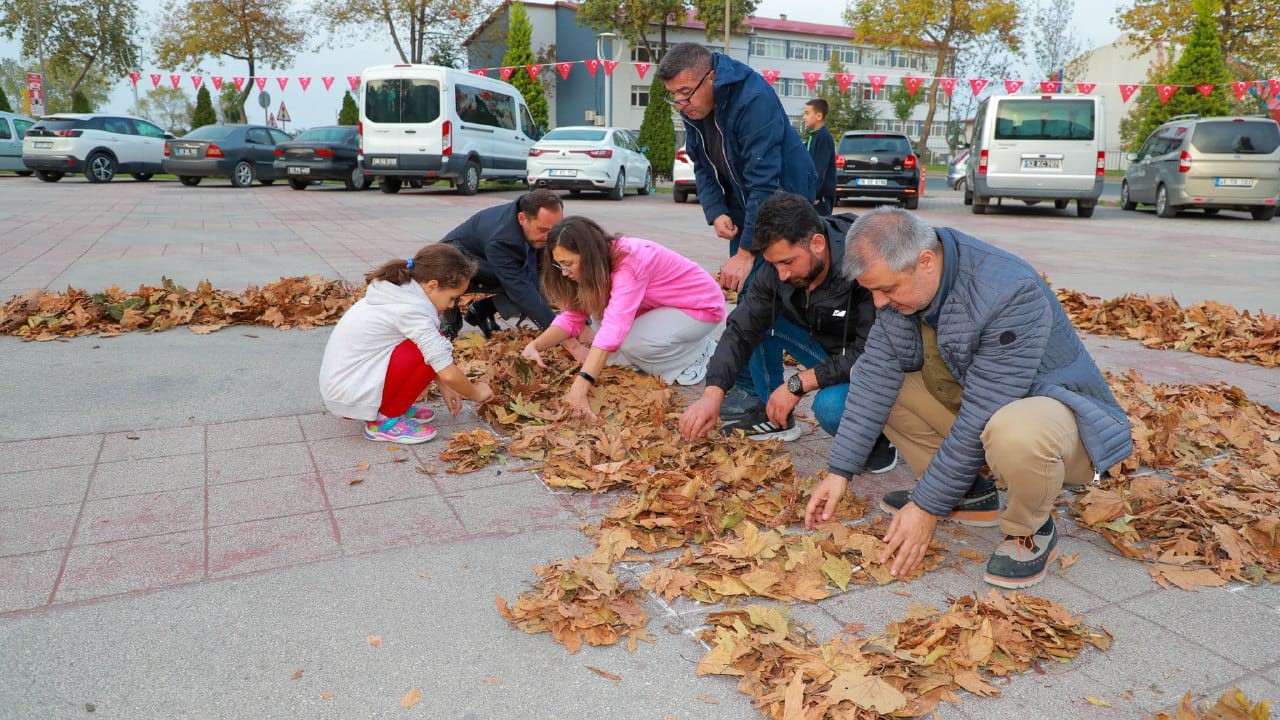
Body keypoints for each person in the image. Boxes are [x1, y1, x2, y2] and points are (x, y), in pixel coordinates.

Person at [804, 207, 1133, 589]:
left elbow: (983, 412)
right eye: (871, 291)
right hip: (993, 414)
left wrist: (926, 507)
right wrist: (838, 472)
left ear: (925, 262)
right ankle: (969, 495)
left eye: (887, 289)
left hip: (1065, 430)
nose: (878, 303)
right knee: (873, 381)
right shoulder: (912, 279)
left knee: (1016, 431)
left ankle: (1030, 527)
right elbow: (874, 377)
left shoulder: (1007, 291)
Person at [676, 192, 896, 473]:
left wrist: (799, 383)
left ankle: (883, 437)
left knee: (831, 410)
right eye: (773, 263)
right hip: (828, 349)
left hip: (877, 364)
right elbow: (741, 329)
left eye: (788, 263)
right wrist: (712, 393)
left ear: (817, 243)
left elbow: (872, 352)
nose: (780, 274)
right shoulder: (778, 266)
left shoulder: (865, 261)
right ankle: (776, 417)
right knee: (757, 318)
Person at [658, 42, 817, 421]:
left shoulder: (753, 98)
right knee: (752, 302)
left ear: (710, 77)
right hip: (747, 211)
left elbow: (765, 181)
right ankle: (751, 390)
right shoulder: (695, 108)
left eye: (685, 93)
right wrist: (716, 212)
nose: (681, 104)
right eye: (673, 97)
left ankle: (772, 401)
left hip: (786, 205)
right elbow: (701, 165)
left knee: (760, 303)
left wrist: (747, 253)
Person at [521, 216, 726, 417]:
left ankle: (698, 357)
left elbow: (614, 328)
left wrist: (580, 387)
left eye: (568, 264)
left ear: (589, 255)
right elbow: (572, 317)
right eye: (560, 265)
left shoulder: (629, 261)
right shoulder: (597, 265)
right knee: (612, 351)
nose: (564, 273)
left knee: (631, 343)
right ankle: (677, 346)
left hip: (700, 307)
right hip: (660, 308)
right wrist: (535, 346)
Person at [319, 244, 495, 444]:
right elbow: (444, 367)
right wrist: (475, 392)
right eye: (452, 298)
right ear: (432, 285)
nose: (452, 305)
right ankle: (383, 420)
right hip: (348, 395)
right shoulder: (411, 310)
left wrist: (446, 385)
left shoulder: (402, 293)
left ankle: (389, 406)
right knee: (428, 348)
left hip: (348, 386)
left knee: (432, 343)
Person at [438, 189, 591, 355]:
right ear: (522, 219)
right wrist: (569, 343)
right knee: (522, 289)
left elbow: (559, 273)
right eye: (543, 230)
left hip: (494, 266)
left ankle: (482, 311)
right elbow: (521, 291)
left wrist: (581, 322)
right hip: (459, 265)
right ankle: (450, 321)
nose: (550, 238)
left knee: (541, 286)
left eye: (555, 230)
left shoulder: (538, 224)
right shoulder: (501, 239)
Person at [803, 98, 837, 216]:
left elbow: (820, 170)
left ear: (818, 116)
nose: (804, 117)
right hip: (813, 197)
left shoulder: (824, 138)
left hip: (819, 200)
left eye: (807, 113)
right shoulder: (814, 136)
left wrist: (812, 195)